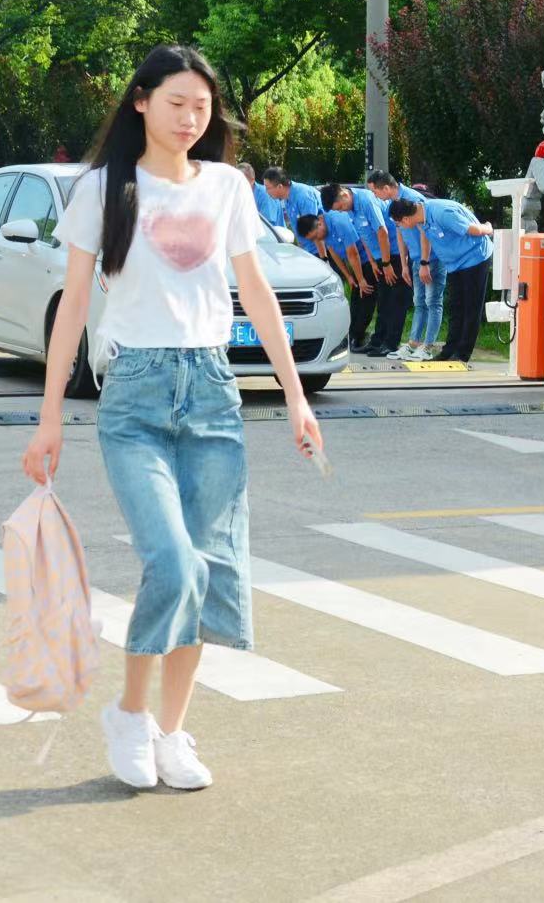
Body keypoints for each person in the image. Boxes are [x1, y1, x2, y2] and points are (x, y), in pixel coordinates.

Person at [20, 45, 324, 792]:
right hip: (135, 393)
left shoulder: (226, 186)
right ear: (141, 102)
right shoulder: (102, 188)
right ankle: (130, 713)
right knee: (175, 561)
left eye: (202, 107)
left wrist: (295, 394)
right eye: (176, 103)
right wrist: (50, 416)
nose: (191, 119)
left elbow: (256, 292)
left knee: (211, 568)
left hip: (214, 390)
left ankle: (173, 730)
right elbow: (73, 307)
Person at [390, 196, 495, 365]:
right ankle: (449, 350)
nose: (400, 228)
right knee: (455, 307)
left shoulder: (442, 213)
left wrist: (488, 228)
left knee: (470, 308)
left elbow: (473, 229)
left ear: (406, 219)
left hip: (475, 258)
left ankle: (462, 354)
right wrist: (424, 262)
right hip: (454, 264)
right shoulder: (421, 219)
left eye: (399, 224)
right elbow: (426, 237)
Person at [323, 182, 404, 358]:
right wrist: (374, 262)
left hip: (393, 254)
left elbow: (382, 232)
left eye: (341, 207)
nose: (342, 211)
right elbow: (365, 236)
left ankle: (391, 343)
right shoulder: (351, 209)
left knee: (394, 299)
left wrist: (386, 263)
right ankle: (377, 342)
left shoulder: (366, 201)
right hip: (379, 257)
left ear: (344, 195)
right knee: (383, 300)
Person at [367, 170, 430, 358]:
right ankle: (408, 344)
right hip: (414, 258)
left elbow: (426, 232)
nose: (374, 196)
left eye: (375, 191)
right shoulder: (392, 204)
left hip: (428, 258)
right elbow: (400, 233)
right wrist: (404, 264)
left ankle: (424, 346)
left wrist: (425, 261)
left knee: (430, 303)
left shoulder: (413, 199)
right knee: (418, 302)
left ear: (386, 188)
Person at [295, 210, 375, 352]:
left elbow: (354, 253)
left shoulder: (338, 222)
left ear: (319, 223)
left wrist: (361, 279)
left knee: (366, 297)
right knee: (355, 299)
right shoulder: (324, 231)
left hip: (368, 259)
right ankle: (352, 335)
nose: (317, 241)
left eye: (315, 237)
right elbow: (333, 252)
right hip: (356, 264)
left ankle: (358, 337)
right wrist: (348, 276)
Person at [261, 167, 323, 256]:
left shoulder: (303, 196)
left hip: (324, 249)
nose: (266, 192)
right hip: (309, 250)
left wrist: (323, 258)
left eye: (267, 188)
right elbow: (300, 231)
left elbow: (315, 231)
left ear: (280, 186)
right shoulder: (286, 197)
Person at [242, 161, 283, 231]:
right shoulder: (240, 194)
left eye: (241, 182)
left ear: (252, 181)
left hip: (271, 236)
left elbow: (267, 227)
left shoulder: (266, 194)